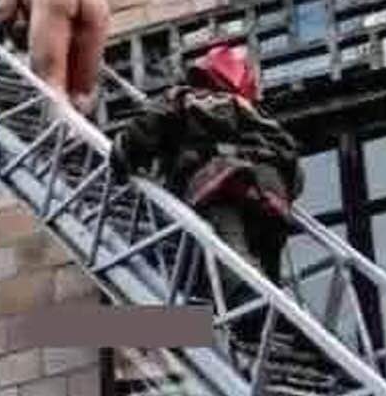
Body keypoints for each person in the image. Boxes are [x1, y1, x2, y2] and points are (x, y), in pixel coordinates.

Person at [110, 43, 303, 346]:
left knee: (230, 251)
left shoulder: (184, 100)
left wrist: (122, 156)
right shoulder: (259, 117)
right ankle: (280, 322)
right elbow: (295, 171)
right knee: (265, 259)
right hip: (271, 198)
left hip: (221, 185)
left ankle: (253, 308)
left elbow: (142, 133)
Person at [0, 0, 110, 115]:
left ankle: (63, 125)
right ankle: (82, 120)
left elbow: (4, 11)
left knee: (51, 83)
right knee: (80, 91)